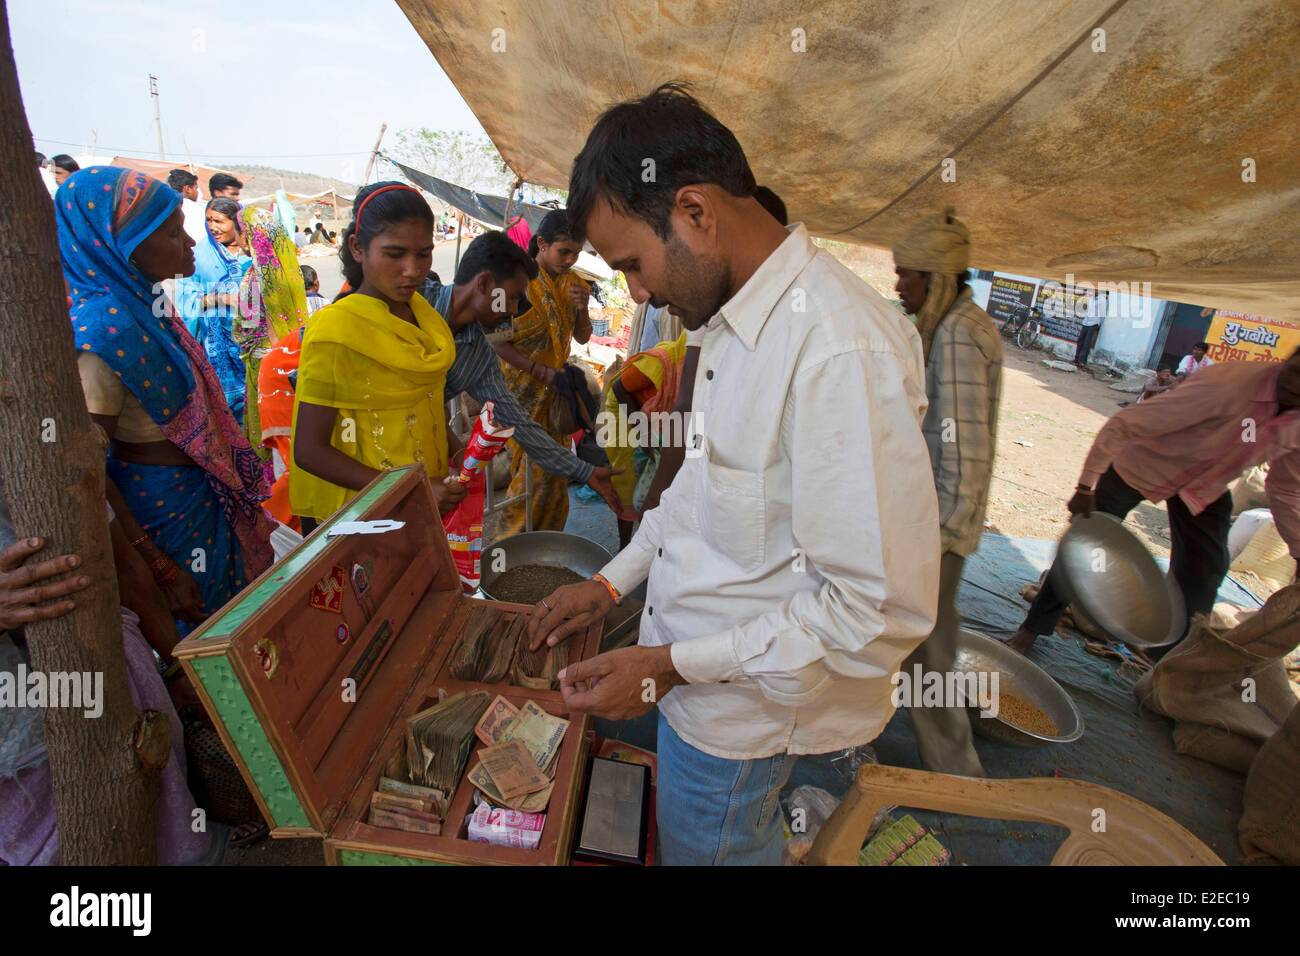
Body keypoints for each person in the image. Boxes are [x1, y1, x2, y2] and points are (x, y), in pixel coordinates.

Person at [527, 83, 940, 865]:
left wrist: (669, 667)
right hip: (700, 697)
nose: (638, 294)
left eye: (633, 267)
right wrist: (611, 585)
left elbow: (870, 606)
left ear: (695, 212)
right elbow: (697, 495)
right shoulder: (728, 325)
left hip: (751, 731)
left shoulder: (840, 347)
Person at [60, 166, 275, 634]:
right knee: (209, 630)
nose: (191, 243)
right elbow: (85, 470)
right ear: (123, 244)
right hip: (166, 510)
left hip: (197, 494)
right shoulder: (101, 334)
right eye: (173, 232)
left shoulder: (146, 304)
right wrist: (154, 562)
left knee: (238, 620)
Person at [1007, 351, 1300, 656]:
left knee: (1209, 565)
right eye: (1295, 369)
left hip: (1203, 486)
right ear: (1290, 357)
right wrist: (1085, 486)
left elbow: (1286, 489)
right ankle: (1031, 630)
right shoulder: (1228, 384)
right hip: (1143, 464)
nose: (1295, 383)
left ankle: (1165, 653)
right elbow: (1126, 423)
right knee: (1085, 544)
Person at [0, 516, 227, 864]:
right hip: (17, 752)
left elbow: (121, 562)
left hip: (117, 689)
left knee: (158, 832)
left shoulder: (58, 465)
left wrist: (180, 670)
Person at [892, 206, 1002, 777]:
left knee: (927, 653)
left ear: (934, 278)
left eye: (906, 274)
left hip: (941, 530)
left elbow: (965, 453)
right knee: (919, 641)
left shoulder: (958, 335)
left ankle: (959, 776)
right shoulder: (962, 323)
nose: (898, 284)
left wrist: (934, 544)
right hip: (936, 524)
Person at [291, 181, 465, 527]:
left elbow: (425, 403)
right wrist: (408, 488)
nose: (413, 270)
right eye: (395, 254)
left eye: (423, 253)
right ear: (358, 247)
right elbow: (309, 450)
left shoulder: (423, 315)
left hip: (424, 498)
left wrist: (457, 449)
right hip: (371, 515)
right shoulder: (335, 332)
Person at [424, 231, 627, 519]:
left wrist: (586, 470)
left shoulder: (479, 354)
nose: (512, 310)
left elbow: (519, 423)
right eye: (513, 298)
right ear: (483, 284)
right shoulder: (414, 305)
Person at [640, 183, 788, 511]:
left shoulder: (820, 330)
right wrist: (660, 494)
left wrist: (658, 495)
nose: (642, 292)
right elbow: (686, 408)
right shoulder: (708, 306)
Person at [491, 210, 593, 534]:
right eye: (564, 251)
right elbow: (494, 342)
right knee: (532, 476)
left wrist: (583, 307)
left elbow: (583, 337)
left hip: (557, 397)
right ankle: (510, 546)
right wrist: (540, 371)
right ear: (541, 244)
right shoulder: (508, 282)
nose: (570, 259)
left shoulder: (575, 284)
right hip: (519, 396)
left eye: (576, 253)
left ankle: (546, 544)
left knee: (554, 477)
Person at [233, 207, 309, 467]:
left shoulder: (256, 276)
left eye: (242, 232)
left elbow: (249, 324)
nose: (239, 238)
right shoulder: (289, 268)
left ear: (251, 235)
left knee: (275, 441)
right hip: (292, 358)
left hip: (267, 363)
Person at [600, 330, 689, 547]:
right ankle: (625, 547)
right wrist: (644, 434)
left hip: (650, 414)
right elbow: (620, 390)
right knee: (627, 480)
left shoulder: (695, 368)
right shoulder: (664, 362)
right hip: (623, 411)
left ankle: (647, 539)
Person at [175, 197, 253, 422]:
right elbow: (185, 298)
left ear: (236, 222)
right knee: (225, 408)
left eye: (219, 221)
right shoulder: (198, 255)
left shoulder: (253, 253)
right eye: (208, 220)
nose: (213, 227)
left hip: (250, 339)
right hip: (216, 345)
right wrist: (220, 299)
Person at [167, 167, 207, 244]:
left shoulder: (167, 208)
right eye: (196, 188)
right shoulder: (198, 210)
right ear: (188, 189)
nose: (198, 192)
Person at [1073, 293, 1105, 367]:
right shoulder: (1091, 297)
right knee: (1080, 340)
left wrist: (1099, 324)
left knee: (1087, 343)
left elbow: (1103, 313)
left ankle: (1082, 361)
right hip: (1086, 321)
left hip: (1093, 323)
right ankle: (1076, 359)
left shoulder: (1102, 299)